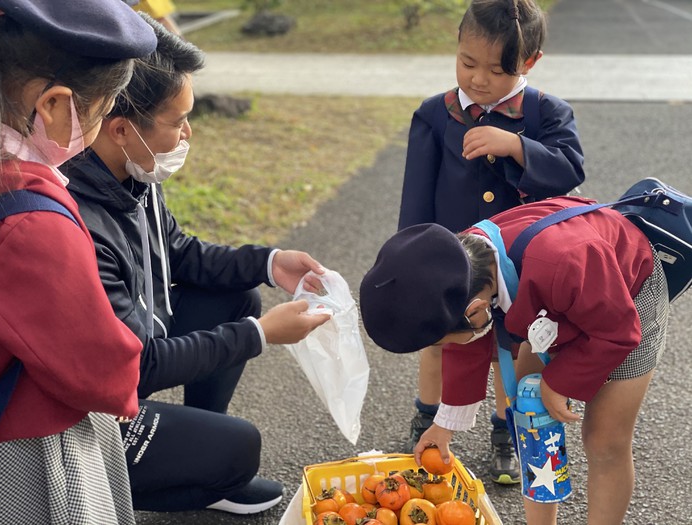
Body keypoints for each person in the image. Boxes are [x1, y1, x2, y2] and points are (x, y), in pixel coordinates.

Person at [61, 15, 331, 515]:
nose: (189, 133)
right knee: (238, 449)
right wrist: (259, 334)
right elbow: (137, 366)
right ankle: (149, 474)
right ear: (120, 128)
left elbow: (178, 250)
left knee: (238, 295)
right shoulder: (78, 224)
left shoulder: (130, 170)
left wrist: (271, 264)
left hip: (143, 348)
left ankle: (194, 449)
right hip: (103, 406)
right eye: (177, 121)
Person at [360, 196, 669, 524]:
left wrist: (558, 381)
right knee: (529, 415)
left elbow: (618, 332)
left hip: (627, 298)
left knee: (604, 439)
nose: (445, 347)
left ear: (477, 311)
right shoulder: (458, 270)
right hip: (556, 299)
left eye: (441, 341)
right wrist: (444, 426)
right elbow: (466, 343)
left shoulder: (563, 259)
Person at [397, 0, 585, 484]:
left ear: (530, 62)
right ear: (456, 49)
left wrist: (517, 146)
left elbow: (570, 170)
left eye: (498, 70)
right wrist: (409, 258)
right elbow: (417, 195)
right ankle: (430, 414)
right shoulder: (434, 114)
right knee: (444, 340)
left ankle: (505, 430)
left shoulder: (546, 112)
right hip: (452, 261)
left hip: (520, 263)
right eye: (467, 63)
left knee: (512, 342)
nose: (479, 79)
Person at [0, 1, 157, 524]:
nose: (103, 122)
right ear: (57, 106)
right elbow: (98, 368)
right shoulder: (29, 220)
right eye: (102, 109)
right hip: (26, 438)